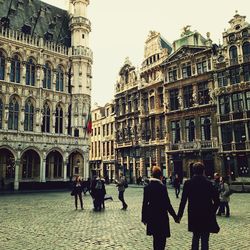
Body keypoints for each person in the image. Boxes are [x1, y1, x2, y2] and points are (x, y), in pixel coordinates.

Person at [177, 162, 220, 250]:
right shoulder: (209, 183)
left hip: (194, 215)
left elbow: (183, 201)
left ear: (193, 171)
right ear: (203, 171)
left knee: (195, 237)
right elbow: (217, 201)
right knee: (205, 239)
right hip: (206, 215)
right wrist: (212, 211)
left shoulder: (188, 183)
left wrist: (179, 215)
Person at [142, 166, 179, 250]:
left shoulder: (147, 188)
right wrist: (175, 217)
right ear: (160, 176)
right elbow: (167, 204)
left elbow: (144, 204)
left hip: (151, 217)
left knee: (155, 239)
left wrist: (144, 218)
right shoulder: (162, 188)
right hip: (162, 216)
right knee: (162, 240)